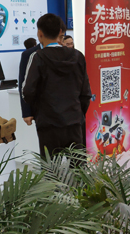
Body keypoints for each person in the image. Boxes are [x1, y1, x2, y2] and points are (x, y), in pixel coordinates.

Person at [22, 13, 92, 156]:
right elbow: (85, 93)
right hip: (74, 122)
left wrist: (39, 111)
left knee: (51, 167)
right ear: (60, 32)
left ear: (40, 33)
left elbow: (28, 91)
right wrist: (78, 113)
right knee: (78, 165)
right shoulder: (78, 56)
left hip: (48, 124)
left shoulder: (38, 57)